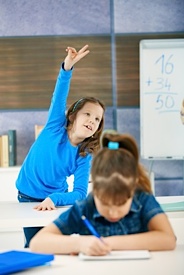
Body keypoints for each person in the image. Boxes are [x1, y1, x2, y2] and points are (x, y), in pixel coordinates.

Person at [15, 44, 105, 247]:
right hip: (27, 197)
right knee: (34, 245)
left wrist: (54, 199)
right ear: (73, 116)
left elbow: (80, 193)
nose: (92, 120)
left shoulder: (85, 154)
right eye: (88, 114)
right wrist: (67, 67)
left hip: (56, 201)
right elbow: (59, 94)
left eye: (97, 119)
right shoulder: (55, 125)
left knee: (56, 245)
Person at [30, 132, 176, 255]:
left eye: (120, 203)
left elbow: (168, 239)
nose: (113, 212)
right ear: (95, 191)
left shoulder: (143, 200)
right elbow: (37, 243)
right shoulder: (85, 206)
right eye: (105, 203)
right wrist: (79, 243)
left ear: (133, 189)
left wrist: (108, 243)